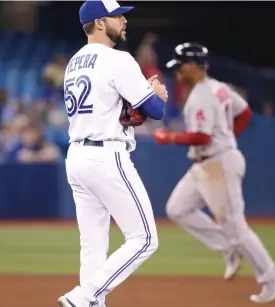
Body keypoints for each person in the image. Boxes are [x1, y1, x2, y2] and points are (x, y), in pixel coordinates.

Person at [152, 42, 275, 303]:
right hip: (207, 162)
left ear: (194, 65)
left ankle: (273, 279)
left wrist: (170, 137)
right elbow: (244, 112)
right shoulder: (220, 88)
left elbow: (202, 136)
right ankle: (227, 248)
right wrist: (228, 137)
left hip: (218, 164)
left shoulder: (201, 95)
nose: (178, 71)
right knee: (177, 208)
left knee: (237, 229)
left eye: (181, 66)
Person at [57, 1, 168, 306]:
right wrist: (153, 93)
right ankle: (83, 297)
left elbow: (116, 107)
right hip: (106, 156)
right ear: (101, 23)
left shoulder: (73, 62)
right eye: (118, 15)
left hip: (77, 157)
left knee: (93, 247)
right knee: (144, 239)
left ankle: (88, 302)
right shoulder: (117, 59)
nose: (123, 20)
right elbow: (155, 110)